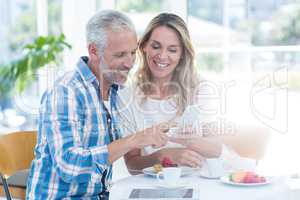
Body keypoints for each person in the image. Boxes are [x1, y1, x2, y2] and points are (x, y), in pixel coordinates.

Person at [26, 10, 170, 199]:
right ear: (93, 51)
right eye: (120, 55)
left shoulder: (113, 91)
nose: (130, 63)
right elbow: (70, 166)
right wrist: (134, 140)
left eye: (133, 53)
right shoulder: (65, 92)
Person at [118, 13, 244, 174]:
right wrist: (162, 156)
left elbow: (217, 149)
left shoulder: (200, 89)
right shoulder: (127, 95)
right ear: (144, 46)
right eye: (156, 46)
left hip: (199, 181)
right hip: (153, 187)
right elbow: (132, 164)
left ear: (182, 53)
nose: (162, 56)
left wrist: (188, 140)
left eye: (172, 50)